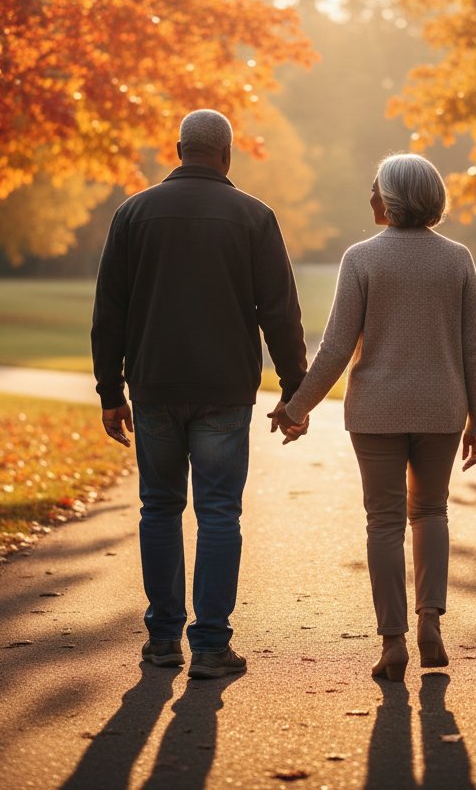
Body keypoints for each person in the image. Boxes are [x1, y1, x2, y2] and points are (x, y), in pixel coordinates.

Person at [92, 109, 308, 679]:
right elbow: (280, 313)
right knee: (218, 513)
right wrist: (294, 393)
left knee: (159, 509)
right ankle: (211, 645)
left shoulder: (132, 214)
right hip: (224, 391)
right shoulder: (254, 217)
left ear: (179, 148)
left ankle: (163, 638)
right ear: (226, 155)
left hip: (156, 385)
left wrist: (110, 391)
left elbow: (108, 312)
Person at [270, 153, 476, 682]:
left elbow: (337, 348)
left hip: (377, 412)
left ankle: (393, 641)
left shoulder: (361, 258)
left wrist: (296, 408)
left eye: (375, 189)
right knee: (431, 513)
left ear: (391, 198)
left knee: (385, 521)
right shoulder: (457, 259)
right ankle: (430, 622)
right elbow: (473, 349)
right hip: (442, 408)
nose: (369, 197)